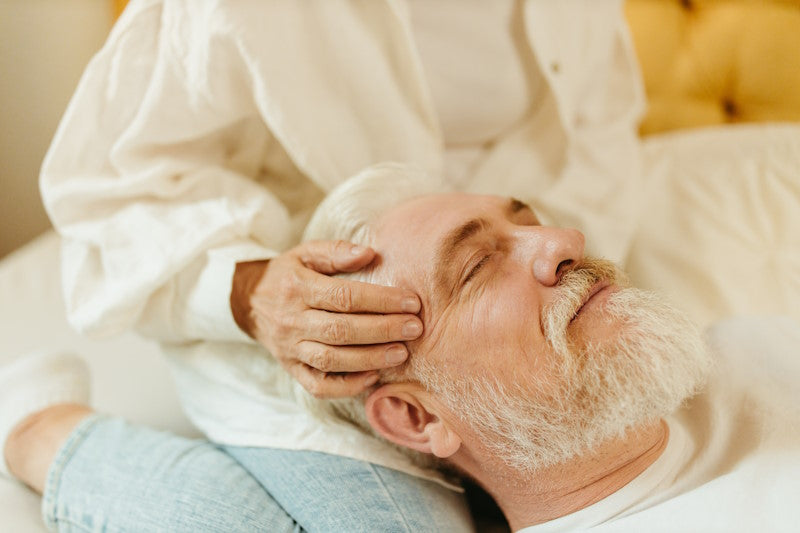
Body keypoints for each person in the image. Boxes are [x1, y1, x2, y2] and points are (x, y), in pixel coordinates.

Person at [32, 0, 646, 529]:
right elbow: (102, 194)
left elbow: (601, 129)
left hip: (521, 303)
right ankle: (41, 428)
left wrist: (545, 283)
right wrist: (254, 293)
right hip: (305, 332)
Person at [4, 167, 800, 532]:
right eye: (479, 264)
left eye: (531, 218)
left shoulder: (755, 350)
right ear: (418, 417)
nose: (562, 241)